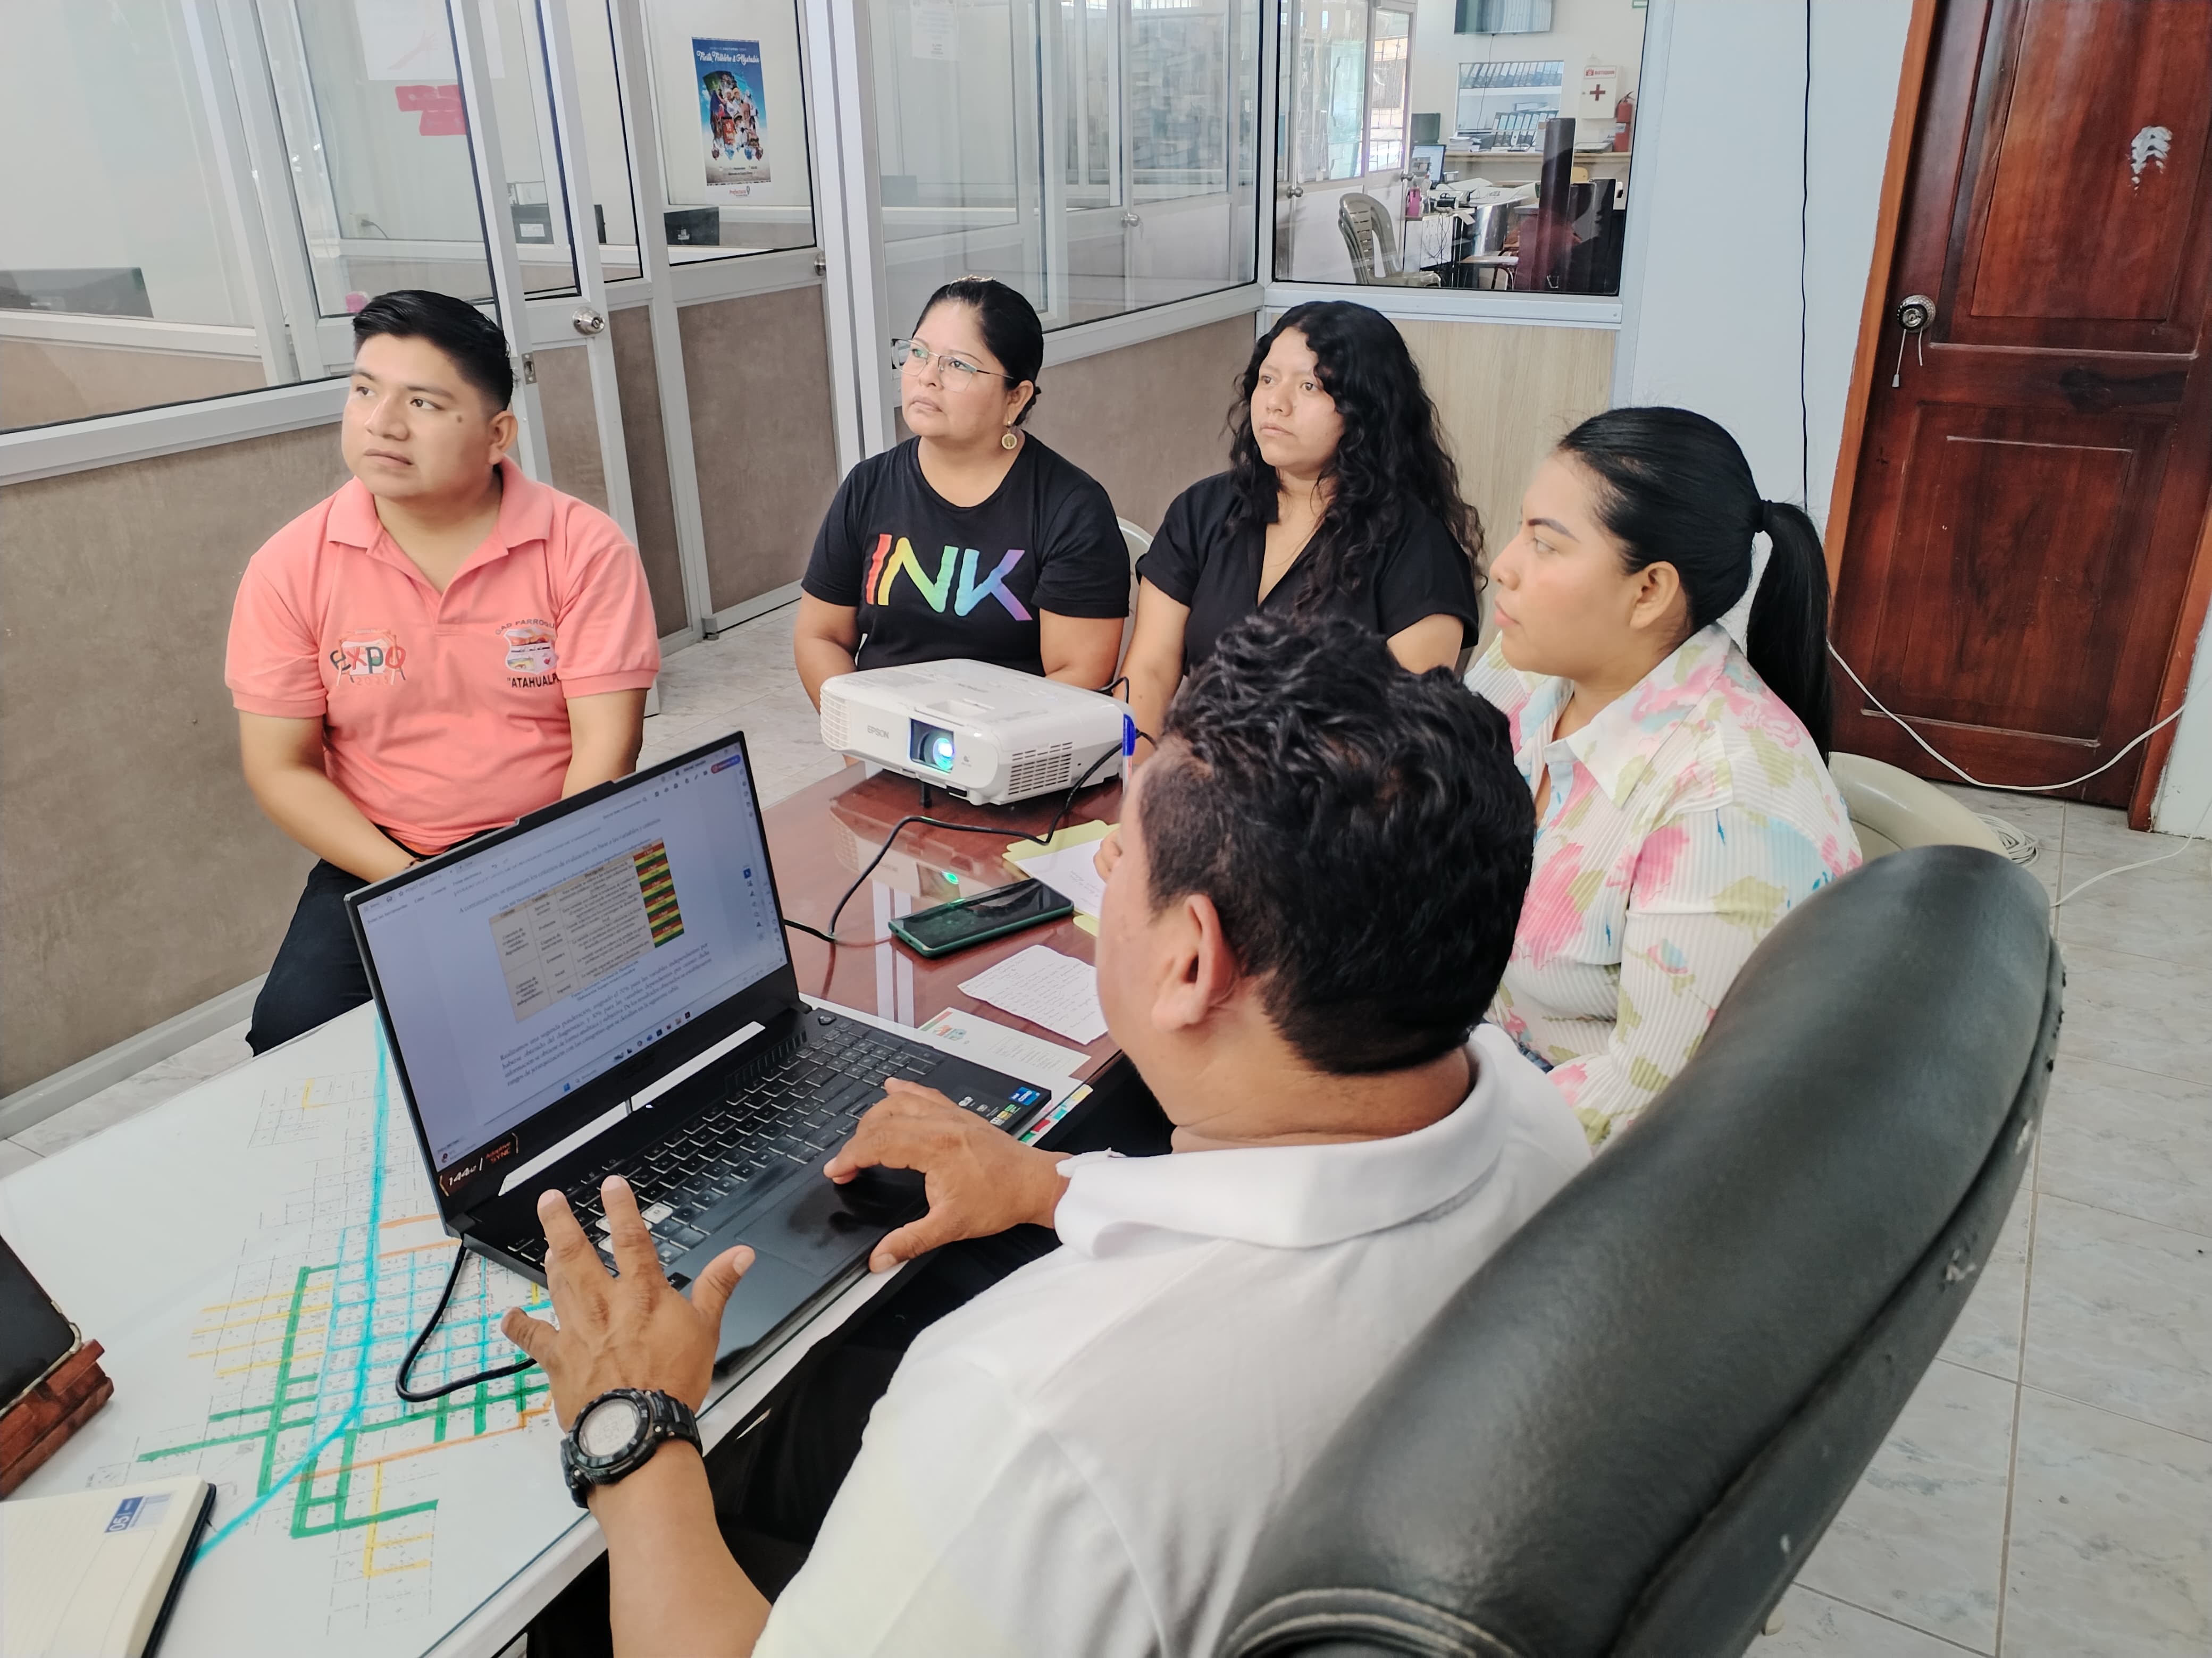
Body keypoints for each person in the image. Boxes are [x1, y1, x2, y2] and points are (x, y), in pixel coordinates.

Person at [505, 613, 1588, 1657]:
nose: (1104, 870)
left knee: (586, 1579)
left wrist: (632, 1427)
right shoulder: (1527, 1113)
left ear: (1191, 962)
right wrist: (1046, 1182)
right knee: (818, 1403)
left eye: (1121, 851)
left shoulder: (1032, 1410)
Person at [226, 289, 659, 1054]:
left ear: (497, 434)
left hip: (556, 840)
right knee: (292, 1037)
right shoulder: (289, 567)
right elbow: (280, 766)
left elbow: (608, 746)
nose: (382, 423)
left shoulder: (583, 547)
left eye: (422, 402)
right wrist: (414, 886)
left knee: (610, 1031)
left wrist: (539, 876)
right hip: (382, 855)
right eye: (365, 390)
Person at [1468, 406, 1861, 1148]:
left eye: (1545, 544)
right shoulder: (1529, 674)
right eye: (1522, 530)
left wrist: (1417, 1122)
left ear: (1649, 590)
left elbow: (1652, 1107)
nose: (1503, 566)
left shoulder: (1725, 807)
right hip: (1476, 1061)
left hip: (1581, 1154)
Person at [1117, 299, 1482, 767]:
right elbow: (1148, 672)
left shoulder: (1417, 548)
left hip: (1331, 797)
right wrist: (1135, 786)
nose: (1277, 402)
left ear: (1365, 408)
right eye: (1268, 379)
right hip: (1198, 779)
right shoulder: (1202, 511)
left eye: (1310, 386)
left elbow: (1403, 736)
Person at [792, 277, 1129, 707]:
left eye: (958, 365)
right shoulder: (868, 486)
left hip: (1013, 739)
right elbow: (820, 635)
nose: (927, 377)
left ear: (1015, 398)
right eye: (918, 353)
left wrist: (975, 741)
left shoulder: (1072, 509)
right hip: (881, 731)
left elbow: (1080, 673)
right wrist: (863, 728)